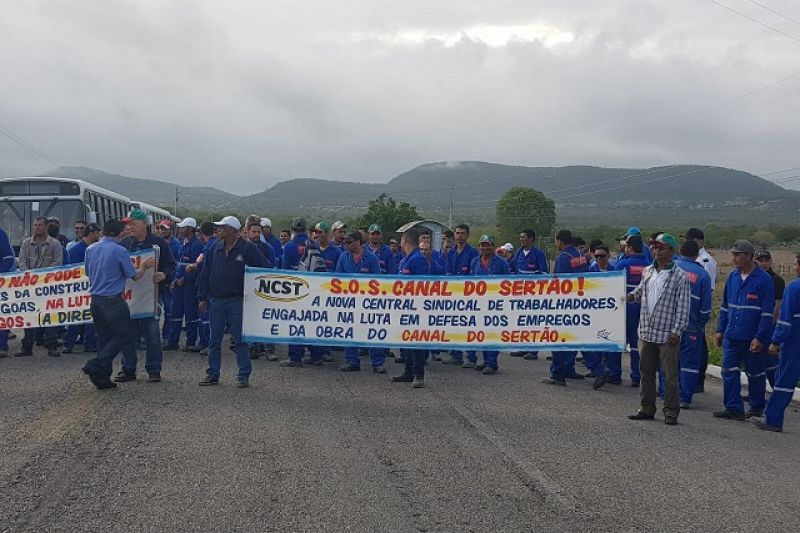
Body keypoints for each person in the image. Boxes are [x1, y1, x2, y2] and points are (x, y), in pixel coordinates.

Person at [81, 219, 155, 390]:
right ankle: (97, 365)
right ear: (119, 233)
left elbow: (87, 272)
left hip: (96, 300)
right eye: (124, 230)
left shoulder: (91, 249)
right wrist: (143, 266)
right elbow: (134, 276)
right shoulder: (119, 250)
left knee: (104, 339)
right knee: (125, 335)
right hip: (113, 300)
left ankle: (102, 378)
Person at [626, 233, 691, 426]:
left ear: (671, 251)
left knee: (669, 376)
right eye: (654, 247)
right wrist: (626, 297)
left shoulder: (680, 276)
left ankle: (671, 411)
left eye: (661, 247)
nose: (656, 250)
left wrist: (677, 331)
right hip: (646, 331)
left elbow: (683, 306)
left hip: (666, 333)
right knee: (646, 373)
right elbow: (640, 292)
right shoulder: (647, 271)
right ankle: (647, 408)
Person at [197, 216, 268, 387]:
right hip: (216, 301)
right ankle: (213, 373)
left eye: (222, 227)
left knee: (240, 340)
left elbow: (263, 268)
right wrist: (202, 297)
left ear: (233, 230)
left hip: (238, 301)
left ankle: (243, 375)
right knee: (214, 340)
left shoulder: (248, 248)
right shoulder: (214, 247)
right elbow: (205, 272)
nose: (219, 230)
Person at [713, 240, 775, 421]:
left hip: (752, 337)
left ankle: (756, 407)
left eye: (737, 255)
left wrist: (760, 337)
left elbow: (766, 313)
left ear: (750, 256)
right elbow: (725, 306)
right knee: (729, 370)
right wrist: (720, 329)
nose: (734, 258)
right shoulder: (732, 277)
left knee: (755, 373)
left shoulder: (764, 280)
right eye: (733, 254)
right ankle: (733, 408)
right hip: (732, 335)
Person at [116, 209, 176, 382]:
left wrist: (164, 275)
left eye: (134, 223)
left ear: (145, 224)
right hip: (130, 298)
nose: (130, 226)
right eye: (128, 223)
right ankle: (128, 369)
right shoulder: (124, 244)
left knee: (152, 334)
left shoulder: (159, 243)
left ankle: (154, 369)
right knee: (128, 335)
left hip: (151, 297)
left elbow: (171, 266)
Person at [753, 253, 800, 432]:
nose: (794, 268)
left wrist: (776, 341)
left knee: (784, 381)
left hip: (794, 342)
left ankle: (773, 418)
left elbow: (785, 318)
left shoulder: (794, 287)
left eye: (796, 264)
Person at [542, 229, 589, 385]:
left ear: (560, 241)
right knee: (574, 337)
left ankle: (557, 374)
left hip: (565, 303)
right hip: (581, 300)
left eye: (556, 241)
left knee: (559, 338)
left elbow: (558, 283)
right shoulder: (581, 256)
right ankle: (569, 368)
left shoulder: (563, 258)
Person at [335, 231, 385, 372]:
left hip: (367, 302)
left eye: (349, 242)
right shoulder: (343, 257)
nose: (346, 245)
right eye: (345, 242)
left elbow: (378, 281)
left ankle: (377, 363)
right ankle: (352, 361)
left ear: (358, 242)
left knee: (373, 331)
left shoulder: (371, 258)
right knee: (349, 330)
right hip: (349, 301)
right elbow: (337, 278)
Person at [15, 216, 63, 357]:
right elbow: (22, 262)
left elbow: (57, 263)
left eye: (40, 225)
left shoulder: (55, 244)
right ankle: (27, 347)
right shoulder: (26, 243)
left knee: (49, 317)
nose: (37, 228)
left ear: (46, 226)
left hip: (48, 287)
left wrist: (42, 276)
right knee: (29, 316)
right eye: (35, 225)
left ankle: (51, 345)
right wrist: (31, 276)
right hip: (29, 286)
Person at [672, 240, 712, 408]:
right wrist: (701, 323)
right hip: (692, 327)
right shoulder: (703, 275)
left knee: (668, 360)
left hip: (670, 326)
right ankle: (685, 397)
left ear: (680, 251)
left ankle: (665, 392)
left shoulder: (671, 267)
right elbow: (705, 307)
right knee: (689, 363)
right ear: (697, 255)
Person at [390, 229, 428, 388]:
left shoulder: (418, 259)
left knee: (416, 342)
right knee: (406, 340)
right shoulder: (406, 259)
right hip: (404, 305)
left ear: (405, 241)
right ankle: (408, 372)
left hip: (416, 306)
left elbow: (422, 284)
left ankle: (418, 375)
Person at [470, 234, 510, 374]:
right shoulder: (475, 261)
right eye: (482, 245)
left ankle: (491, 362)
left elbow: (508, 283)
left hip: (495, 303)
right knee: (482, 332)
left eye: (488, 245)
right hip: (479, 303)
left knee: (493, 332)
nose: (485, 247)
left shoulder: (501, 263)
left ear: (493, 246)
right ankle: (486, 359)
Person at [683, 227, 716, 393]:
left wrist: (703, 316)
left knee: (699, 349)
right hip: (685, 315)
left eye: (691, 239)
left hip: (695, 314)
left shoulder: (706, 261)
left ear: (700, 241)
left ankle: (698, 381)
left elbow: (707, 290)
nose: (687, 241)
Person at [614, 235, 650, 387]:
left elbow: (612, 286)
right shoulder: (650, 266)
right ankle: (637, 376)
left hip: (624, 308)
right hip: (642, 310)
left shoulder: (622, 264)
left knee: (616, 340)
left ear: (630, 247)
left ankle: (615, 374)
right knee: (637, 344)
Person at [509, 229, 549, 360]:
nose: (521, 239)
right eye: (520, 237)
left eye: (524, 237)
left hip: (534, 294)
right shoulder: (518, 253)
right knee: (521, 321)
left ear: (531, 239)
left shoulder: (539, 254)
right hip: (520, 293)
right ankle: (522, 347)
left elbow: (544, 273)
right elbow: (513, 270)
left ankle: (533, 350)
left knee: (533, 322)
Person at [165, 217, 203, 351]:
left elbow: (197, 266)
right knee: (175, 313)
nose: (180, 230)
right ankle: (172, 341)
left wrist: (185, 279)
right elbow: (179, 264)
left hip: (189, 285)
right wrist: (175, 280)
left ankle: (190, 342)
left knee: (191, 313)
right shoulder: (183, 243)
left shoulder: (197, 245)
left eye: (183, 227)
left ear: (190, 229)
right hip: (178, 284)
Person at [62, 223, 101, 354]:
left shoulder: (94, 248)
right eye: (97, 233)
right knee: (76, 316)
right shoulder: (76, 250)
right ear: (93, 233)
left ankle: (88, 343)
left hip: (91, 287)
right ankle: (70, 343)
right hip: (79, 288)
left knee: (90, 317)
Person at [443, 223, 479, 366]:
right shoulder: (450, 252)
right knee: (453, 324)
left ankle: (471, 357)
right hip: (453, 294)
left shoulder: (473, 253)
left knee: (469, 325)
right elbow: (447, 272)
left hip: (468, 294)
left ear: (467, 235)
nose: (459, 236)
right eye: (457, 233)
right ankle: (455, 355)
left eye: (462, 233)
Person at [280, 217, 312, 367]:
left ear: (292, 230)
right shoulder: (314, 244)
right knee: (312, 321)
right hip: (313, 289)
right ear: (305, 230)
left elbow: (285, 270)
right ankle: (316, 355)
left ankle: (295, 357)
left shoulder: (288, 246)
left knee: (294, 323)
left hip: (294, 289)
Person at [755, 250, 785, 387]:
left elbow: (778, 305)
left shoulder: (776, 280)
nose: (763, 263)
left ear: (770, 261)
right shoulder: (756, 278)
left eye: (766, 260)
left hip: (770, 325)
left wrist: (770, 324)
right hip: (757, 324)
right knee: (756, 362)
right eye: (760, 260)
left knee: (771, 362)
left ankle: (777, 390)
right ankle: (756, 392)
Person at [0, 226, 15, 358]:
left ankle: (2, 346)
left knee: (1, 315)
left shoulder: (1, 234)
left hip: (0, 283)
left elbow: (9, 257)